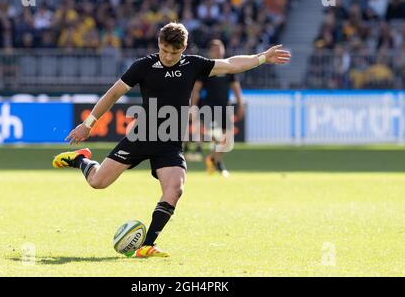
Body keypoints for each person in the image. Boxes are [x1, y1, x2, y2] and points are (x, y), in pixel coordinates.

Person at [52, 22, 291, 258]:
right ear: (159, 43)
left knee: (175, 189)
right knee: (98, 182)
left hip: (170, 142)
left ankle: (147, 245)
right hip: (142, 136)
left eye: (174, 52)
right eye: (164, 50)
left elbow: (230, 65)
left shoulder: (194, 65)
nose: (168, 56)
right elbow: (113, 93)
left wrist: (262, 57)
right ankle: (81, 160)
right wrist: (88, 124)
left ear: (184, 48)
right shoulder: (143, 66)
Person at [189, 39, 245, 177]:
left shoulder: (228, 67)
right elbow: (196, 90)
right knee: (217, 136)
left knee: (227, 139)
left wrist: (240, 104)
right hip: (209, 108)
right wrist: (193, 107)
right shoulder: (206, 68)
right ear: (210, 51)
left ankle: (214, 159)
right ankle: (217, 163)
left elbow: (235, 87)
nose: (218, 50)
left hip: (225, 107)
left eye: (220, 48)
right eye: (215, 48)